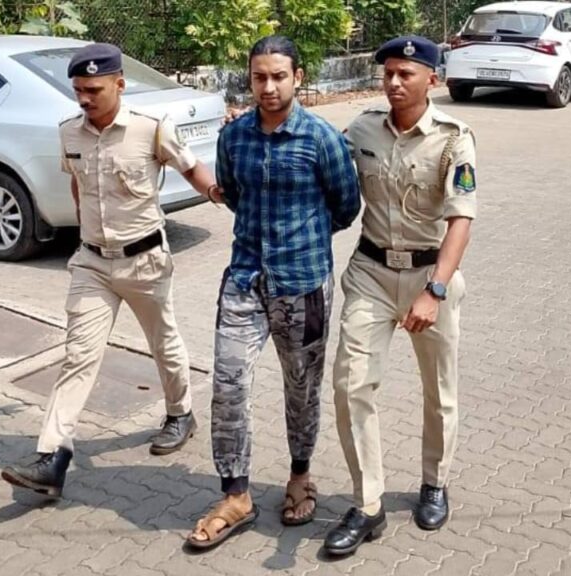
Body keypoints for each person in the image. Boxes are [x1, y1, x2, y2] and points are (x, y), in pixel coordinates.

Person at [0, 43, 221, 497]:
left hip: (145, 261)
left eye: (94, 90)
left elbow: (192, 168)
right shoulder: (69, 133)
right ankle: (53, 458)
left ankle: (180, 413)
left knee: (164, 343)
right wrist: (85, 236)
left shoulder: (151, 130)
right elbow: (79, 188)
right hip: (93, 264)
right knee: (78, 357)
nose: (84, 98)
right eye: (78, 90)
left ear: (119, 84)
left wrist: (222, 195)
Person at [186, 35, 361, 550]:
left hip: (302, 284)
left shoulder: (321, 139)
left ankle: (300, 474)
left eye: (279, 76)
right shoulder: (234, 136)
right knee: (228, 383)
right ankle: (236, 495)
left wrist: (303, 238)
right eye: (259, 77)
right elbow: (233, 195)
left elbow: (346, 206)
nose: (268, 87)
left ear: (297, 78)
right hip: (244, 279)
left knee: (301, 388)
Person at [322, 36, 477, 557]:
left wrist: (435, 290)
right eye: (388, 73)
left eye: (405, 74)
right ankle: (368, 505)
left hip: (429, 275)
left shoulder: (454, 139)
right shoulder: (363, 127)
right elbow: (321, 152)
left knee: (440, 389)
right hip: (370, 272)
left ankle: (435, 482)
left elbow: (461, 219)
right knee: (350, 386)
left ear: (431, 78)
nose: (393, 82)